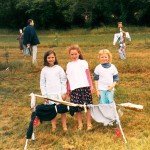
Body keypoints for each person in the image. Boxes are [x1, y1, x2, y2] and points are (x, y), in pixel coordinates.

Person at [66, 45, 93, 131]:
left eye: (75, 54)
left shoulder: (84, 62)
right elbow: (68, 78)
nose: (74, 56)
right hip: (75, 89)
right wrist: (69, 89)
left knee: (87, 106)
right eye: (72, 54)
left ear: (79, 53)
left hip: (85, 87)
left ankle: (89, 123)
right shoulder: (69, 65)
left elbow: (88, 75)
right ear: (69, 55)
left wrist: (91, 86)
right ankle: (80, 124)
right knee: (78, 108)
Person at [40, 50, 67, 131]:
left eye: (52, 57)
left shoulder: (59, 68)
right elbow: (42, 83)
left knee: (62, 110)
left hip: (59, 94)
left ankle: (64, 125)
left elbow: (63, 80)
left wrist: (63, 92)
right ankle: (53, 126)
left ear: (55, 58)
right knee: (52, 110)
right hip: (49, 94)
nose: (51, 59)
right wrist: (44, 95)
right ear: (46, 58)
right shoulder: (44, 70)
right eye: (49, 57)